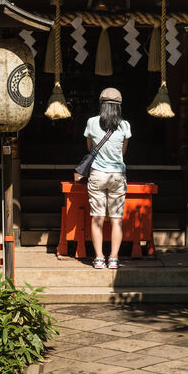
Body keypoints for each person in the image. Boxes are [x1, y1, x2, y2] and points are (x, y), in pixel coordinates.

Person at [83, 88, 131, 269]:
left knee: (97, 218)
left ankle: (98, 258)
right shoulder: (125, 125)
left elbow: (90, 148)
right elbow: (123, 152)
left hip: (97, 174)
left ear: (101, 104)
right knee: (117, 219)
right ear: (119, 106)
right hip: (117, 174)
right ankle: (114, 259)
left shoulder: (92, 122)